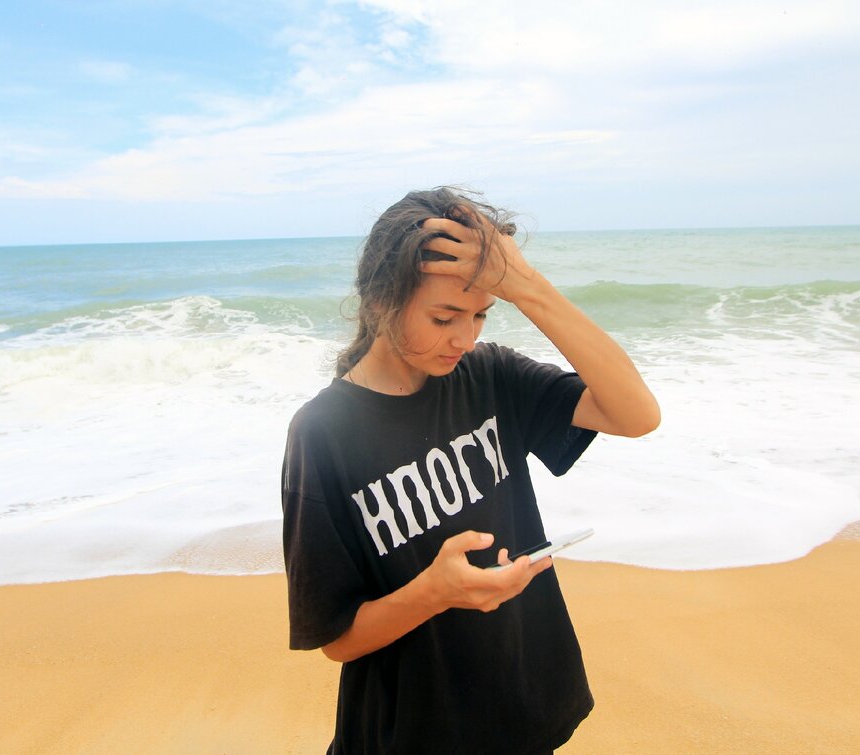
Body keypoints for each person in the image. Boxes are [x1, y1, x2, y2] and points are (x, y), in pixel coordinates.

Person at [281, 187, 660, 754]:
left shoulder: (491, 376)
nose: (464, 338)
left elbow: (637, 414)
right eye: (444, 317)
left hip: (522, 708)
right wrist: (434, 593)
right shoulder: (322, 433)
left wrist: (527, 287)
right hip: (412, 733)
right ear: (381, 300)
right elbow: (338, 639)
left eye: (481, 314)